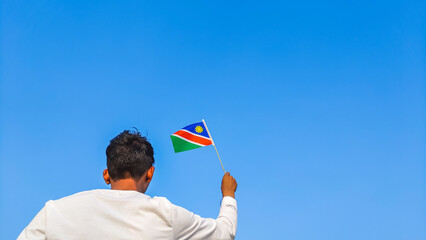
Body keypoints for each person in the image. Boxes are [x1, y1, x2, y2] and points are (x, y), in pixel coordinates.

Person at [18, 130, 238, 239]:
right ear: (150, 173)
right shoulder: (166, 215)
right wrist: (228, 195)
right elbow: (224, 233)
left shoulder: (55, 211)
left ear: (106, 175)